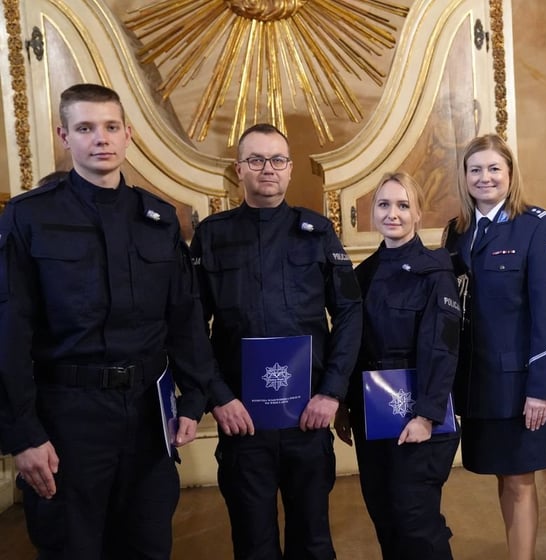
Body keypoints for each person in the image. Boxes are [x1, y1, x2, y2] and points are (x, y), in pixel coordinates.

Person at [0, 83, 220, 559]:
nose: (101, 138)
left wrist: (193, 398)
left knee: (148, 544)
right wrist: (23, 434)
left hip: (147, 416)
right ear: (65, 136)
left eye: (110, 126)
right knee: (72, 547)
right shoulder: (28, 216)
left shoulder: (159, 218)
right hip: (68, 416)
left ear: (128, 134)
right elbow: (8, 331)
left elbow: (184, 318)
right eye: (85, 128)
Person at [191, 123, 363, 560]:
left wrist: (332, 392)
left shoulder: (317, 231)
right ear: (239, 169)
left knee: (313, 541)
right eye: (256, 160)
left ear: (289, 169)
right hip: (241, 417)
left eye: (277, 160)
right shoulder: (212, 235)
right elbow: (190, 325)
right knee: (253, 544)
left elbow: (349, 312)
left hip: (308, 413)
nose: (268, 168)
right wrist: (218, 397)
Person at [442, 133, 546, 560]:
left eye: (494, 168)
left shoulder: (538, 226)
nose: (485, 177)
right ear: (464, 176)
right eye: (475, 169)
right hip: (477, 381)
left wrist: (541, 388)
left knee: (519, 480)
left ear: (510, 174)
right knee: (503, 476)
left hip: (519, 384)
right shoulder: (457, 232)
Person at [335, 171, 461, 560]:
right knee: (385, 516)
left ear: (418, 213)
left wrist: (426, 416)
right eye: (384, 205)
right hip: (372, 414)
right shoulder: (362, 275)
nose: (393, 213)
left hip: (418, 413)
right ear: (373, 212)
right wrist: (344, 404)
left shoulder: (435, 271)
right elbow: (353, 346)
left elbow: (442, 347)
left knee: (416, 523)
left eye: (403, 205)